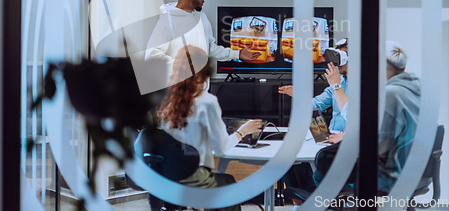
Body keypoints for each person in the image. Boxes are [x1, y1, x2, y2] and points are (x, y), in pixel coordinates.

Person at [156, 45, 263, 211]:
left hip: (166, 179)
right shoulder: (206, 101)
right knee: (228, 183)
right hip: (193, 179)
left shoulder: (167, 102)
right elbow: (221, 148)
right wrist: (243, 131)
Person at [313, 41, 421, 194]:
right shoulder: (410, 90)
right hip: (406, 171)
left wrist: (336, 86)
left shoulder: (390, 94)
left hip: (387, 176)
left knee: (324, 163)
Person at [146, 0, 260, 89]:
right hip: (177, 93)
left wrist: (237, 54)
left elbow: (209, 48)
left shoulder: (202, 18)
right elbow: (152, 56)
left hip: (201, 90)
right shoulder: (167, 21)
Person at [278, 38, 349, 208]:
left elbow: (354, 116)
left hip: (346, 142)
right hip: (328, 138)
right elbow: (316, 103)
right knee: (289, 159)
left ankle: (309, 200)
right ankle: (300, 200)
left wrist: (336, 85)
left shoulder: (364, 85)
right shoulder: (340, 82)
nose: (337, 63)